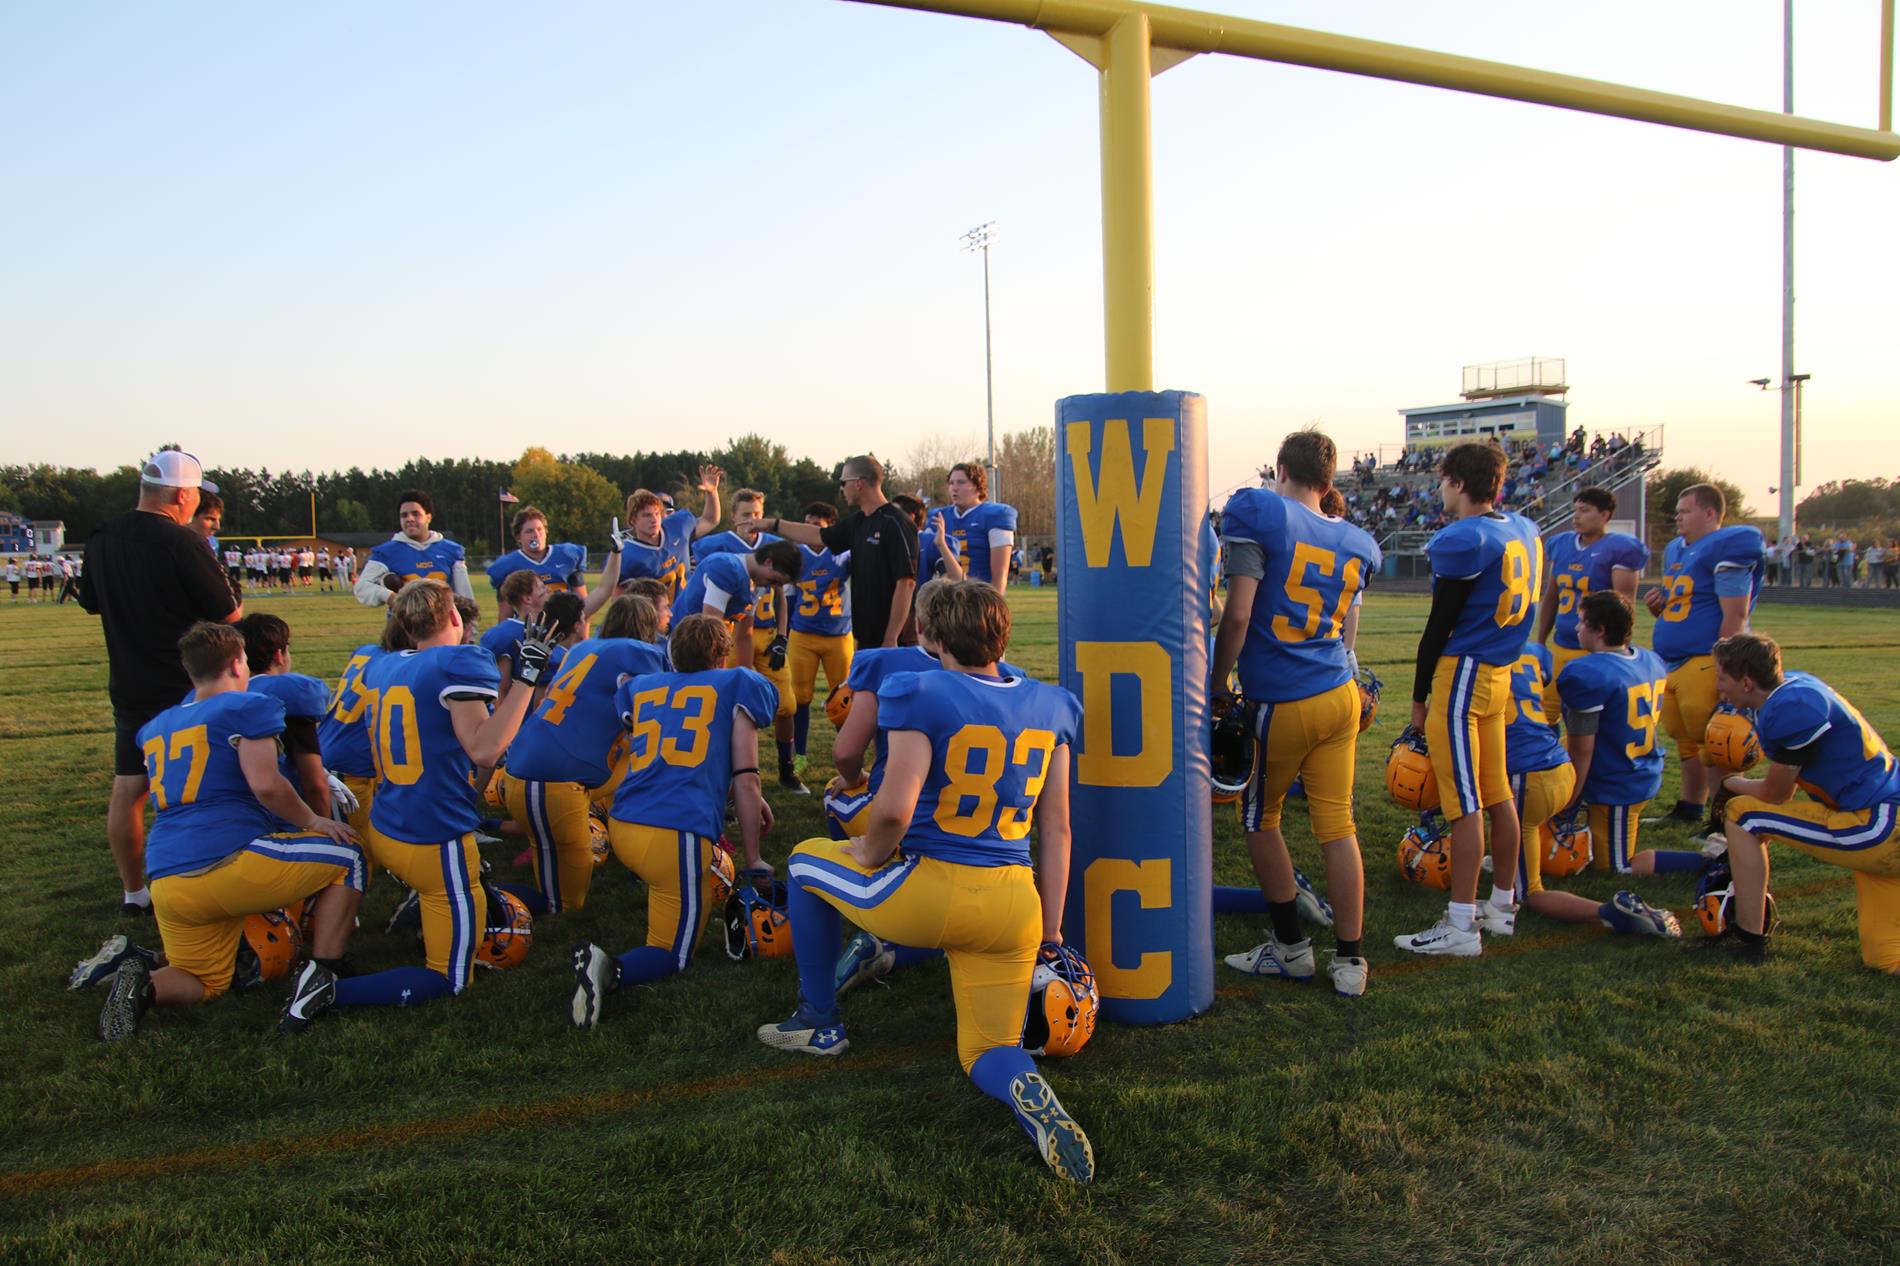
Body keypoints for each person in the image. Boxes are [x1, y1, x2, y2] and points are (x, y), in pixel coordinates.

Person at [755, 580, 1091, 1182]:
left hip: (933, 888)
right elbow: (1059, 831)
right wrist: (1054, 926)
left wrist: (868, 851)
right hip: (1016, 902)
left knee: (806, 862)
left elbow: (892, 810)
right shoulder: (1055, 703)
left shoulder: (920, 687)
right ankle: (1026, 1091)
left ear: (932, 637)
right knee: (987, 1050)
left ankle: (817, 1022)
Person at [278, 580, 552, 1032]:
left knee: (466, 892)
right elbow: (485, 750)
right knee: (450, 979)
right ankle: (329, 990)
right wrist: (526, 678)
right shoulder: (460, 660)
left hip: (387, 824)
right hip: (434, 837)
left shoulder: (382, 664)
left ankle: (421, 908)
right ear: (453, 618)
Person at [82, 622, 365, 1041]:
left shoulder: (156, 727)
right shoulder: (247, 707)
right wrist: (315, 821)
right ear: (237, 662)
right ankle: (324, 971)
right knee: (350, 857)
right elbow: (266, 784)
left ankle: (145, 985)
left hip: (168, 879)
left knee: (205, 982)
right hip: (230, 860)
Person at [1209, 430, 1378, 996]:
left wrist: (1215, 682)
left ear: (1279, 467)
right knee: (1338, 824)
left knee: (1260, 818)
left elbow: (1237, 616)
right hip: (1340, 691)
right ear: (1330, 482)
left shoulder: (1260, 512)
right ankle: (1352, 961)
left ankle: (1290, 949)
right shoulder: (1356, 539)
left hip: (1283, 697)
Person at [568, 613, 778, 1025]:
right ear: (723, 656)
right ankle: (608, 969)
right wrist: (753, 859)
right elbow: (747, 779)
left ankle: (666, 899)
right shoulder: (737, 684)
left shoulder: (644, 688)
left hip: (623, 822)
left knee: (682, 882)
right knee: (674, 952)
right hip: (673, 831)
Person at [827, 579, 1030, 992]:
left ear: (920, 625)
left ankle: (859, 918)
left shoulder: (891, 670)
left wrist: (854, 780)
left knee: (834, 809)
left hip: (906, 823)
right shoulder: (1016, 682)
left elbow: (846, 753)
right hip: (996, 843)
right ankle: (894, 946)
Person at [78, 450, 243, 916]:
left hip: (129, 680)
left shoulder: (102, 538)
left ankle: (134, 893)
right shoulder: (180, 542)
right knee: (212, 784)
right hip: (188, 683)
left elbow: (91, 602)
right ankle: (208, 873)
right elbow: (229, 613)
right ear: (182, 495)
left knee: (129, 788)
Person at [1395, 442, 1541, 957]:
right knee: (1497, 793)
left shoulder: (1463, 538)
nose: (1439, 489)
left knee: (1464, 802)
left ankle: (1461, 924)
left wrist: (1418, 697)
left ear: (1457, 481)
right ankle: (1501, 908)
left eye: (1442, 480)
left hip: (1463, 676)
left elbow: (1439, 627)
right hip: (1501, 674)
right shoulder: (1523, 529)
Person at [1712, 632, 1900, 970]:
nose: (1718, 687)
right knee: (1884, 959)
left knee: (1743, 815)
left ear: (1747, 682)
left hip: (1878, 826)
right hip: (1882, 812)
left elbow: (1777, 794)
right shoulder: (1795, 686)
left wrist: (1731, 783)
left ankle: (1750, 939)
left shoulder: (1790, 710)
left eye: (1722, 679)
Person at [496, 594, 668, 916]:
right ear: (646, 625)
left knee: (552, 874)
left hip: (519, 772)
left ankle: (619, 835)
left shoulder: (582, 649)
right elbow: (653, 717)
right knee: (566, 905)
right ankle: (475, 894)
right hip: (557, 785)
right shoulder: (642, 653)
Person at [1643, 484, 1764, 825]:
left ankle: (1726, 817)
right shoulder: (1675, 549)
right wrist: (1659, 607)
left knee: (1717, 746)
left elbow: (1735, 614)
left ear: (1710, 514)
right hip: (1673, 659)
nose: (1677, 516)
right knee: (1686, 742)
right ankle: (1689, 808)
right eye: (1677, 510)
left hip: (1706, 658)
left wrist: (1726, 668)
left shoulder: (1728, 546)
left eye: (1686, 510)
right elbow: (1683, 605)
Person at [1553, 592, 1669, 876]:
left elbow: (1583, 749)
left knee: (1615, 869)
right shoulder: (1650, 659)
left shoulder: (1587, 673)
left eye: (1582, 622)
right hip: (1639, 764)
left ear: (1601, 630)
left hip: (1619, 782)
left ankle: (1707, 860)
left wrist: (1569, 800)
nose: (1576, 628)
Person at [693, 490, 803, 791]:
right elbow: (709, 623)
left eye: (757, 514)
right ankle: (718, 776)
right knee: (714, 708)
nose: (752, 521)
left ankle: (787, 768)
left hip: (750, 633)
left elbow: (749, 620)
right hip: (707, 638)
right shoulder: (727, 561)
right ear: (733, 517)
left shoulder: (764, 561)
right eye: (745, 515)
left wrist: (781, 636)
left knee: (786, 705)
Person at [762, 455, 919, 652]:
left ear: (859, 483)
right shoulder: (859, 521)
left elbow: (906, 582)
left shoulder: (895, 522)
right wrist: (772, 524)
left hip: (894, 641)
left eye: (844, 482)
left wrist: (891, 638)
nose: (841, 488)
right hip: (867, 638)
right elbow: (819, 535)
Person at [1534, 487, 1648, 717]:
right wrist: (1540, 642)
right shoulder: (1562, 545)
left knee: (1587, 715)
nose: (1576, 516)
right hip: (1560, 645)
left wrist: (1617, 651)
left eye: (1585, 511)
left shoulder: (1618, 548)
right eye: (1575, 510)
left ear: (1604, 515)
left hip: (1596, 649)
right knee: (1545, 714)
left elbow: (1624, 608)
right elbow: (1552, 597)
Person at [233, 613, 334, 819]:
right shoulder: (287, 698)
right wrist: (322, 831)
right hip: (277, 819)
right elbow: (314, 784)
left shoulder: (220, 697)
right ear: (280, 655)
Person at [786, 501, 855, 777]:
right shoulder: (794, 555)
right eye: (807, 522)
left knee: (845, 700)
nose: (809, 528)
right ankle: (799, 756)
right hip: (803, 634)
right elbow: (789, 596)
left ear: (830, 527)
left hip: (838, 634)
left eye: (817, 524)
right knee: (798, 699)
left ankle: (848, 754)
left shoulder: (844, 553)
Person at [604, 469, 725, 604]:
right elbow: (617, 597)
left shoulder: (677, 527)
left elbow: (710, 520)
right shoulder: (626, 554)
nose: (654, 519)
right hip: (654, 620)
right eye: (647, 515)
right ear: (633, 520)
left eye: (657, 513)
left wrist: (712, 493)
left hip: (685, 614)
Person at [353, 489, 475, 607]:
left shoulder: (450, 551)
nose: (409, 519)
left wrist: (470, 627)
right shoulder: (387, 552)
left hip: (442, 624)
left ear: (428, 517)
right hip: (403, 625)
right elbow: (362, 587)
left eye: (415, 514)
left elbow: (465, 597)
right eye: (404, 515)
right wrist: (389, 596)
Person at [488, 505, 589, 621]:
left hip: (564, 627)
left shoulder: (567, 555)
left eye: (539, 529)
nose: (536, 534)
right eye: (529, 531)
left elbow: (583, 606)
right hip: (528, 632)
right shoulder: (508, 566)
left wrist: (582, 638)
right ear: (518, 538)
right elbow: (505, 617)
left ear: (546, 532)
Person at [941, 463, 1019, 592]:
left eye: (961, 482)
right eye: (951, 483)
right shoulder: (940, 517)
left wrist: (993, 607)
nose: (954, 488)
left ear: (978, 487)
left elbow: (1000, 576)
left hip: (979, 599)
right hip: (946, 601)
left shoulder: (996, 515)